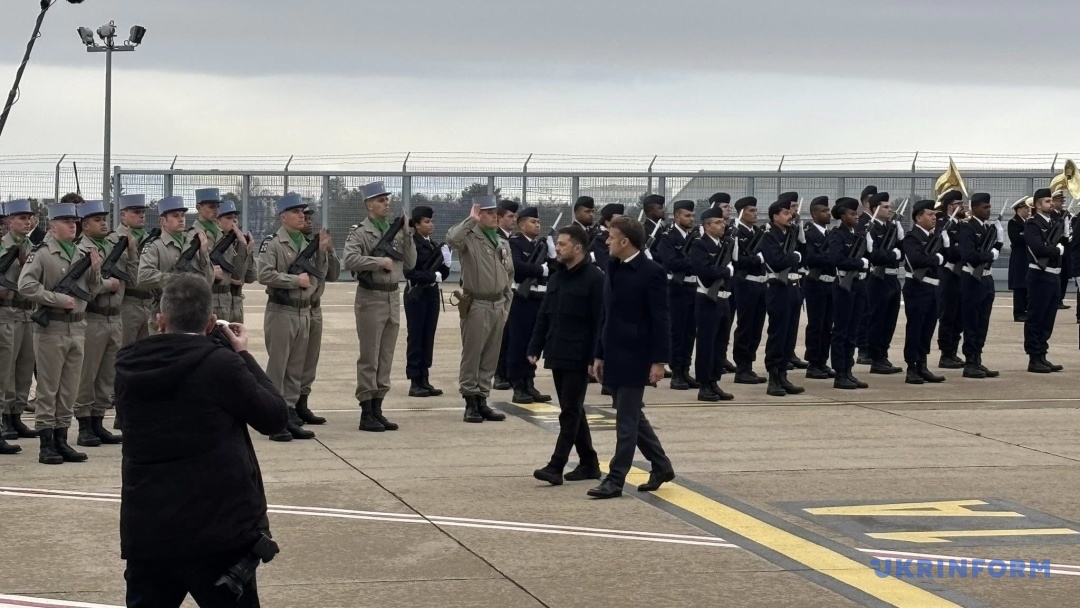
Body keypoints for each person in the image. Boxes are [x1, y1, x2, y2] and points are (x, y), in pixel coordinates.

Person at [116, 273, 287, 608]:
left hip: (150, 528)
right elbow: (275, 417)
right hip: (217, 530)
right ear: (211, 323)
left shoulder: (129, 364)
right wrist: (242, 354)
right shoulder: (220, 364)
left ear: (160, 321)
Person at [589, 216, 673, 499]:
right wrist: (599, 355)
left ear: (625, 241)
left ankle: (615, 479)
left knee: (625, 421)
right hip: (613, 353)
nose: (607, 241)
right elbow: (606, 315)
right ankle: (661, 466)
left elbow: (661, 318)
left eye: (611, 237)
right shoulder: (613, 267)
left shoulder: (652, 272)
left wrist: (659, 361)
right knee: (633, 416)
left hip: (637, 356)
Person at [18, 203, 103, 465]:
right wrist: (56, 299)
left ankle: (62, 439)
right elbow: (25, 285)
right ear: (53, 226)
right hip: (51, 328)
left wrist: (95, 270)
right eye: (66, 221)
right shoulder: (42, 253)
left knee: (69, 389)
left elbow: (93, 290)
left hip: (77, 327)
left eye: (74, 222)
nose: (72, 226)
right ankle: (46, 444)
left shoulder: (82, 253)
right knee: (49, 388)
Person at [528, 225, 604, 485]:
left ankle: (556, 465)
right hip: (557, 350)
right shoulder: (557, 276)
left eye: (562, 244)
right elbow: (544, 315)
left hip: (579, 354)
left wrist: (595, 357)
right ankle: (589, 463)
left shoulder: (595, 279)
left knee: (569, 411)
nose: (557, 249)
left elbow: (599, 322)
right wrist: (534, 348)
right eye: (558, 244)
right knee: (572, 408)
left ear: (578, 247)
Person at [343, 182, 416, 432]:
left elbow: (410, 263)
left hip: (392, 296)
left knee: (385, 356)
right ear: (369, 205)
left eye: (387, 199)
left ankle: (378, 407)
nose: (386, 203)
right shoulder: (360, 232)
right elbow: (349, 259)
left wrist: (407, 234)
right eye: (381, 200)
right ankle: (366, 410)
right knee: (370, 356)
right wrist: (378, 262)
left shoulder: (395, 232)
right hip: (370, 297)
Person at [258, 193, 330, 441]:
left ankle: (288, 414)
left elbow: (319, 274)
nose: (301, 216)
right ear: (283, 217)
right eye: (296, 212)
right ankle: (273, 419)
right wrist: (293, 280)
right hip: (281, 311)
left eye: (302, 212)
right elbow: (264, 274)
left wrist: (322, 253)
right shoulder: (273, 243)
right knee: (278, 368)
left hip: (303, 311)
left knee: (295, 370)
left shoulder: (305, 242)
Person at [446, 195, 514, 423]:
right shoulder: (469, 238)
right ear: (478, 213)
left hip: (498, 304)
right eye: (488, 212)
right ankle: (470, 402)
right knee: (472, 355)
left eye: (495, 212)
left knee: (490, 357)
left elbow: (509, 276)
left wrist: (506, 306)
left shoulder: (501, 242)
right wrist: (470, 220)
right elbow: (451, 239)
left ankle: (483, 399)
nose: (494, 216)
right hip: (476, 304)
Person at [74, 200, 134, 447]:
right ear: (85, 226)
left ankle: (98, 422)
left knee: (107, 375)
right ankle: (84, 425)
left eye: (104, 219)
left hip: (115, 317)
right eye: (97, 220)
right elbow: (79, 285)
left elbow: (133, 275)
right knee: (87, 374)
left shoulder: (112, 246)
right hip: (94, 317)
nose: (103, 224)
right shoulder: (80, 250)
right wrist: (106, 284)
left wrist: (132, 251)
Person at [138, 196, 215, 337]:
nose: (181, 219)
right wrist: (176, 280)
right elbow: (143, 277)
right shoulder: (154, 246)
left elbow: (209, 280)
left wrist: (204, 254)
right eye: (175, 216)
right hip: (164, 317)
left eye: (182, 215)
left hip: (191, 317)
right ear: (163, 221)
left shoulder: (194, 244)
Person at [0, 200, 39, 449]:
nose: (27, 222)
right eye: (21, 218)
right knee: (6, 370)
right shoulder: (2, 246)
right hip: (7, 312)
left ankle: (16, 416)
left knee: (24, 369)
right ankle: (4, 418)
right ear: (9, 221)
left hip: (27, 313)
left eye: (29, 218)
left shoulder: (32, 247)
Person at [506, 207, 552, 404]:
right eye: (533, 222)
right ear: (521, 225)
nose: (537, 225)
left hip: (539, 299)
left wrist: (551, 254)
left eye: (538, 222)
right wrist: (540, 269)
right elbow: (517, 267)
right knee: (518, 342)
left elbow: (554, 268)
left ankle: (529, 383)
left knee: (533, 343)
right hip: (521, 299)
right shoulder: (515, 243)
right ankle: (518, 386)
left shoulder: (540, 245)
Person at [403, 205, 450, 398]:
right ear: (416, 225)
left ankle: (425, 378)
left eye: (431, 221)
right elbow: (409, 272)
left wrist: (446, 265)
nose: (431, 225)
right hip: (416, 294)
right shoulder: (412, 244)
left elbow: (442, 275)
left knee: (428, 336)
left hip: (431, 294)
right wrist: (432, 276)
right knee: (416, 336)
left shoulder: (433, 245)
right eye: (426, 221)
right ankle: (415, 381)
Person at [297, 207, 339, 424]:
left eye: (310, 218)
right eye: (304, 217)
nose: (308, 221)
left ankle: (302, 403)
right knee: (293, 360)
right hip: (297, 306)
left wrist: (328, 251)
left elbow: (333, 275)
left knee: (310, 361)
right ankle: (289, 405)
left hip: (315, 308)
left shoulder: (316, 244)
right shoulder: (292, 245)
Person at [689, 206, 735, 401]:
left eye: (722, 222)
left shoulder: (725, 244)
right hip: (707, 299)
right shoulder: (699, 245)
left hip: (723, 299)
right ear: (707, 226)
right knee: (706, 343)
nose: (722, 225)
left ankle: (714, 381)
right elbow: (704, 270)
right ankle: (704, 385)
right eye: (717, 222)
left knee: (721, 343)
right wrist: (726, 271)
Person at [760, 200, 805, 397]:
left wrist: (799, 250)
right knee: (778, 334)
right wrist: (795, 257)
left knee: (790, 334)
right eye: (785, 213)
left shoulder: (791, 234)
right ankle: (773, 377)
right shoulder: (769, 236)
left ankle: (783, 374)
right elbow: (777, 261)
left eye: (790, 212)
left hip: (794, 287)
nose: (790, 215)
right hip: (779, 288)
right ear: (775, 216)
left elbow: (805, 256)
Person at [900, 200, 947, 385]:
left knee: (928, 328)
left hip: (934, 287)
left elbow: (948, 256)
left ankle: (922, 364)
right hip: (917, 288)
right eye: (930, 214)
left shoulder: (935, 237)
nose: (934, 217)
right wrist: (937, 258)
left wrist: (944, 250)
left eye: (935, 215)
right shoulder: (912, 238)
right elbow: (917, 259)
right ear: (918, 217)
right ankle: (911, 366)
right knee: (916, 327)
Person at [828, 197, 871, 390]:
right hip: (844, 285)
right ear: (842, 216)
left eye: (857, 213)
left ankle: (848, 369)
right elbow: (837, 259)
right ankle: (840, 373)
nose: (856, 216)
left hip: (858, 285)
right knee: (841, 330)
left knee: (853, 330)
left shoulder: (857, 235)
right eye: (852, 214)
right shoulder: (837, 235)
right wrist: (859, 263)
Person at [958, 193, 1002, 379]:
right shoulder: (967, 228)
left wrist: (999, 243)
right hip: (971, 280)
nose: (988, 210)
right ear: (974, 208)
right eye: (984, 207)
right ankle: (970, 362)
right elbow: (969, 256)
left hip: (986, 280)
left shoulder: (987, 228)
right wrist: (990, 255)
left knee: (983, 323)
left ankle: (977, 359)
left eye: (989, 207)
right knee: (972, 322)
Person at [659, 200, 700, 390]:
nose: (691, 219)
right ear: (676, 217)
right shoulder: (668, 238)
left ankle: (685, 369)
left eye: (692, 215)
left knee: (690, 333)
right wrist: (692, 262)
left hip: (693, 288)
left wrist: (690, 262)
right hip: (676, 289)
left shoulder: (695, 237)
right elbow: (671, 263)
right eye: (687, 215)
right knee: (677, 332)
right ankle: (676, 372)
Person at [1024, 189, 1065, 373]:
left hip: (1054, 275)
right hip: (1039, 276)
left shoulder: (1054, 222)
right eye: (1047, 201)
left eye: (1051, 201)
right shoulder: (1033, 224)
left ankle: (1042, 354)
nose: (1051, 204)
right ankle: (1034, 357)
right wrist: (1057, 251)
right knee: (1036, 317)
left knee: (1048, 318)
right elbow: (1038, 248)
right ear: (1038, 205)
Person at [731, 196, 768, 385]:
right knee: (745, 327)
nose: (755, 213)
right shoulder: (736, 233)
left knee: (757, 328)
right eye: (751, 210)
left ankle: (749, 365)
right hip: (745, 284)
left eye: (755, 210)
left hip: (760, 284)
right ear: (741, 213)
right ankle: (741, 368)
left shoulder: (757, 232)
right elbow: (738, 261)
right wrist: (758, 259)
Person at [801, 196, 835, 380]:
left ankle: (822, 361)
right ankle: (813, 363)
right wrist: (830, 258)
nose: (828, 213)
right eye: (824, 211)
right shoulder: (809, 233)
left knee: (827, 325)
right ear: (814, 214)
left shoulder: (830, 233)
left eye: (828, 210)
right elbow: (810, 257)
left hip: (830, 283)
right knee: (816, 324)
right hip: (816, 284)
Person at [115, 194, 155, 346]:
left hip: (149, 302)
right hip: (129, 303)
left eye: (143, 212)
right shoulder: (115, 239)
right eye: (136, 212)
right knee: (126, 350)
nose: (141, 215)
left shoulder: (150, 239)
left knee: (147, 353)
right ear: (123, 215)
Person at [208, 199, 254, 322]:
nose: (234, 221)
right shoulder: (214, 243)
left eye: (235, 217)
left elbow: (249, 277)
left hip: (235, 304)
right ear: (217, 221)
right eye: (228, 217)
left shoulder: (238, 243)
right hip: (218, 304)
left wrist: (246, 250)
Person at [188, 189, 232, 317]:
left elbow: (237, 271)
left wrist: (244, 248)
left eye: (217, 206)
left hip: (224, 300)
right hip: (203, 298)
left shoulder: (223, 234)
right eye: (211, 207)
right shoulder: (192, 235)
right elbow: (188, 269)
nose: (216, 210)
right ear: (199, 208)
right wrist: (211, 273)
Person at [936, 190, 966, 369]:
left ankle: (953, 351)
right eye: (958, 204)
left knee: (959, 316)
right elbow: (951, 252)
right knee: (948, 315)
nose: (962, 207)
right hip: (948, 274)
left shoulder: (961, 224)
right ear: (949, 207)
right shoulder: (943, 224)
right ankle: (945, 354)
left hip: (960, 274)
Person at [492, 200, 519, 391]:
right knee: (500, 336)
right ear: (499, 218)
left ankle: (508, 373)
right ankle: (499, 374)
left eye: (515, 216)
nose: (514, 219)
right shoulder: (495, 238)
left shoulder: (512, 239)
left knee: (511, 336)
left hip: (512, 293)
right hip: (499, 293)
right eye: (510, 216)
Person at [855, 185, 878, 365]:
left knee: (873, 313)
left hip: (876, 272)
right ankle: (863, 349)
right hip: (865, 271)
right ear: (864, 202)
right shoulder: (862, 222)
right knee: (864, 313)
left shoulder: (877, 222)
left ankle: (872, 347)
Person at [1007, 198, 1032, 322]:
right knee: (1019, 286)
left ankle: (1026, 310)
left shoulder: (1027, 222)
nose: (1028, 210)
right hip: (1019, 258)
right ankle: (1019, 312)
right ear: (1019, 209)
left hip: (1027, 257)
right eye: (1026, 208)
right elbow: (1016, 239)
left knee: (1026, 284)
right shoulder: (1014, 222)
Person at [589, 203, 623, 268]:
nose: (622, 223)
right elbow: (607, 265)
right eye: (618, 220)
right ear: (607, 222)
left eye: (622, 220)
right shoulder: (600, 239)